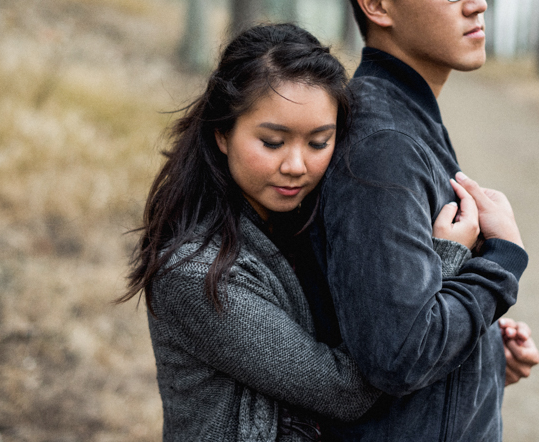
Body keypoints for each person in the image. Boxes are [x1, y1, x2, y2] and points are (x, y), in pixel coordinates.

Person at [117, 23, 483, 441]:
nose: (296, 165)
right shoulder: (197, 273)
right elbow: (346, 390)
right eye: (273, 142)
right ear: (222, 134)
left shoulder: (303, 226)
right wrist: (440, 266)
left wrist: (483, 350)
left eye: (318, 142)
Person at [306, 0, 539, 441]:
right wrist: (501, 263)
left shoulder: (406, 119)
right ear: (377, 5)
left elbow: (401, 316)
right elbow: (398, 353)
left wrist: (481, 353)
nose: (477, 0)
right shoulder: (382, 144)